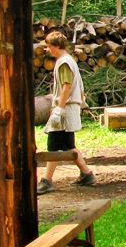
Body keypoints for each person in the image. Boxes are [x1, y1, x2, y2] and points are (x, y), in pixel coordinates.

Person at [37, 30, 96, 194]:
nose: (47, 50)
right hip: (69, 108)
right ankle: (86, 174)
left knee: (53, 146)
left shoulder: (63, 62)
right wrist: (81, 100)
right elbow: (79, 84)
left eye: (49, 46)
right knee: (68, 145)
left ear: (56, 46)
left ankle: (47, 181)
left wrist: (59, 109)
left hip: (64, 110)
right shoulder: (69, 60)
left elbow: (67, 87)